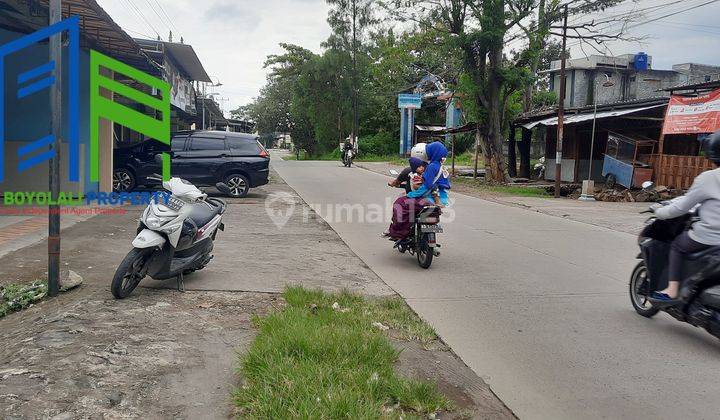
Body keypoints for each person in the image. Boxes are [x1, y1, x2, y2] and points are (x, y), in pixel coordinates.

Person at [650, 130, 720, 305]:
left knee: (677, 246)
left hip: (709, 237)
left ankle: (672, 290)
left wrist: (659, 212)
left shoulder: (709, 178)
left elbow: (681, 207)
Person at [386, 143, 450, 239]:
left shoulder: (427, 168)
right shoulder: (442, 167)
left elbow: (427, 186)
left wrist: (412, 194)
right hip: (442, 198)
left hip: (428, 198)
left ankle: (398, 232)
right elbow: (444, 185)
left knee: (399, 204)